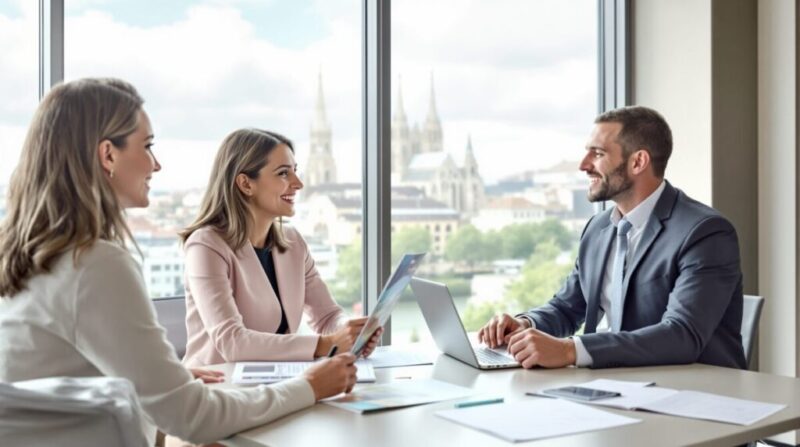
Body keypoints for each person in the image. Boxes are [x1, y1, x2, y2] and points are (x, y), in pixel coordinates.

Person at [0, 78, 358, 445]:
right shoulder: (96, 264)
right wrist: (308, 387)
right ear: (108, 155)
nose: (156, 165)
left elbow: (63, 388)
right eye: (147, 146)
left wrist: (162, 382)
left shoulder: (32, 255)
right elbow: (191, 417)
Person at [478, 106, 747, 370]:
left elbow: (681, 335)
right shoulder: (598, 228)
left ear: (638, 162)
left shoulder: (705, 233)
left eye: (598, 154)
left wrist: (570, 350)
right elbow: (567, 307)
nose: (584, 165)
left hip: (698, 393)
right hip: (623, 386)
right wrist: (525, 325)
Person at [179, 128, 381, 367]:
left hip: (276, 385)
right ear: (245, 184)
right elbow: (232, 342)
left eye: (295, 171)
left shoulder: (292, 242)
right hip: (219, 390)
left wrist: (349, 333)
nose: (298, 183)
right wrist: (326, 345)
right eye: (284, 173)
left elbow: (327, 317)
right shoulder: (206, 245)